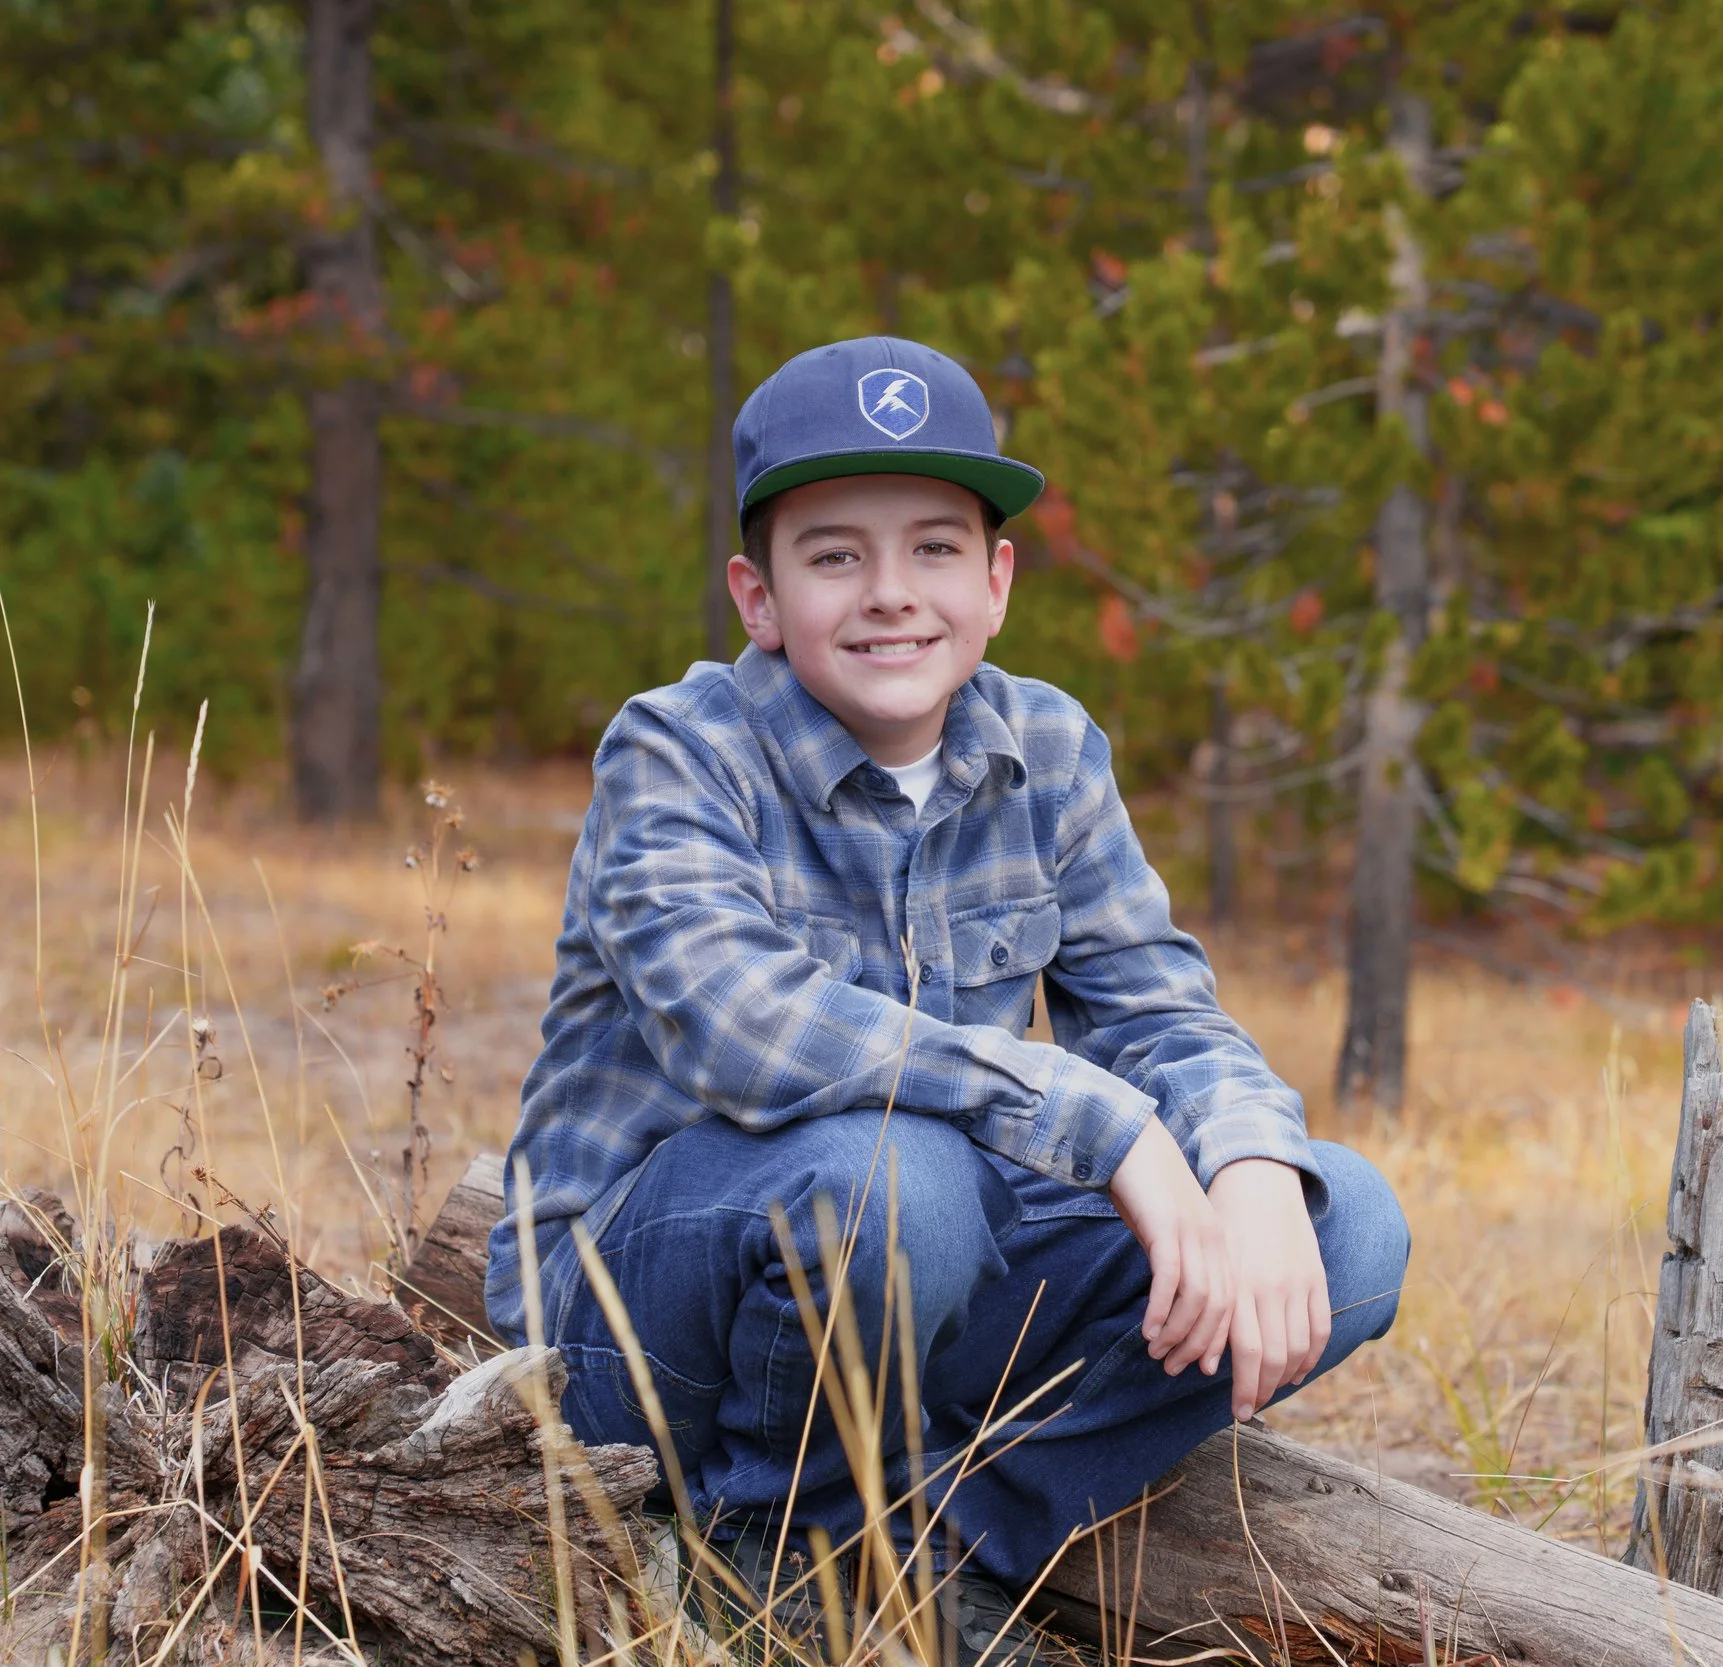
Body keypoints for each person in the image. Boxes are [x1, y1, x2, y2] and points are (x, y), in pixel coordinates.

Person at [483, 337, 1409, 1660]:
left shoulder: (1050, 750)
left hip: (926, 1275)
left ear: (997, 579)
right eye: (834, 555)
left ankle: (949, 1548)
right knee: (897, 1177)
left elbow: (1157, 1014)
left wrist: (1246, 1155)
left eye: (932, 548)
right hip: (645, 1327)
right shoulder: (677, 751)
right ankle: (768, 1556)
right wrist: (1107, 1124)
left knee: (1348, 1222)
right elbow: (741, 1023)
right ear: (758, 595)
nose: (890, 595)